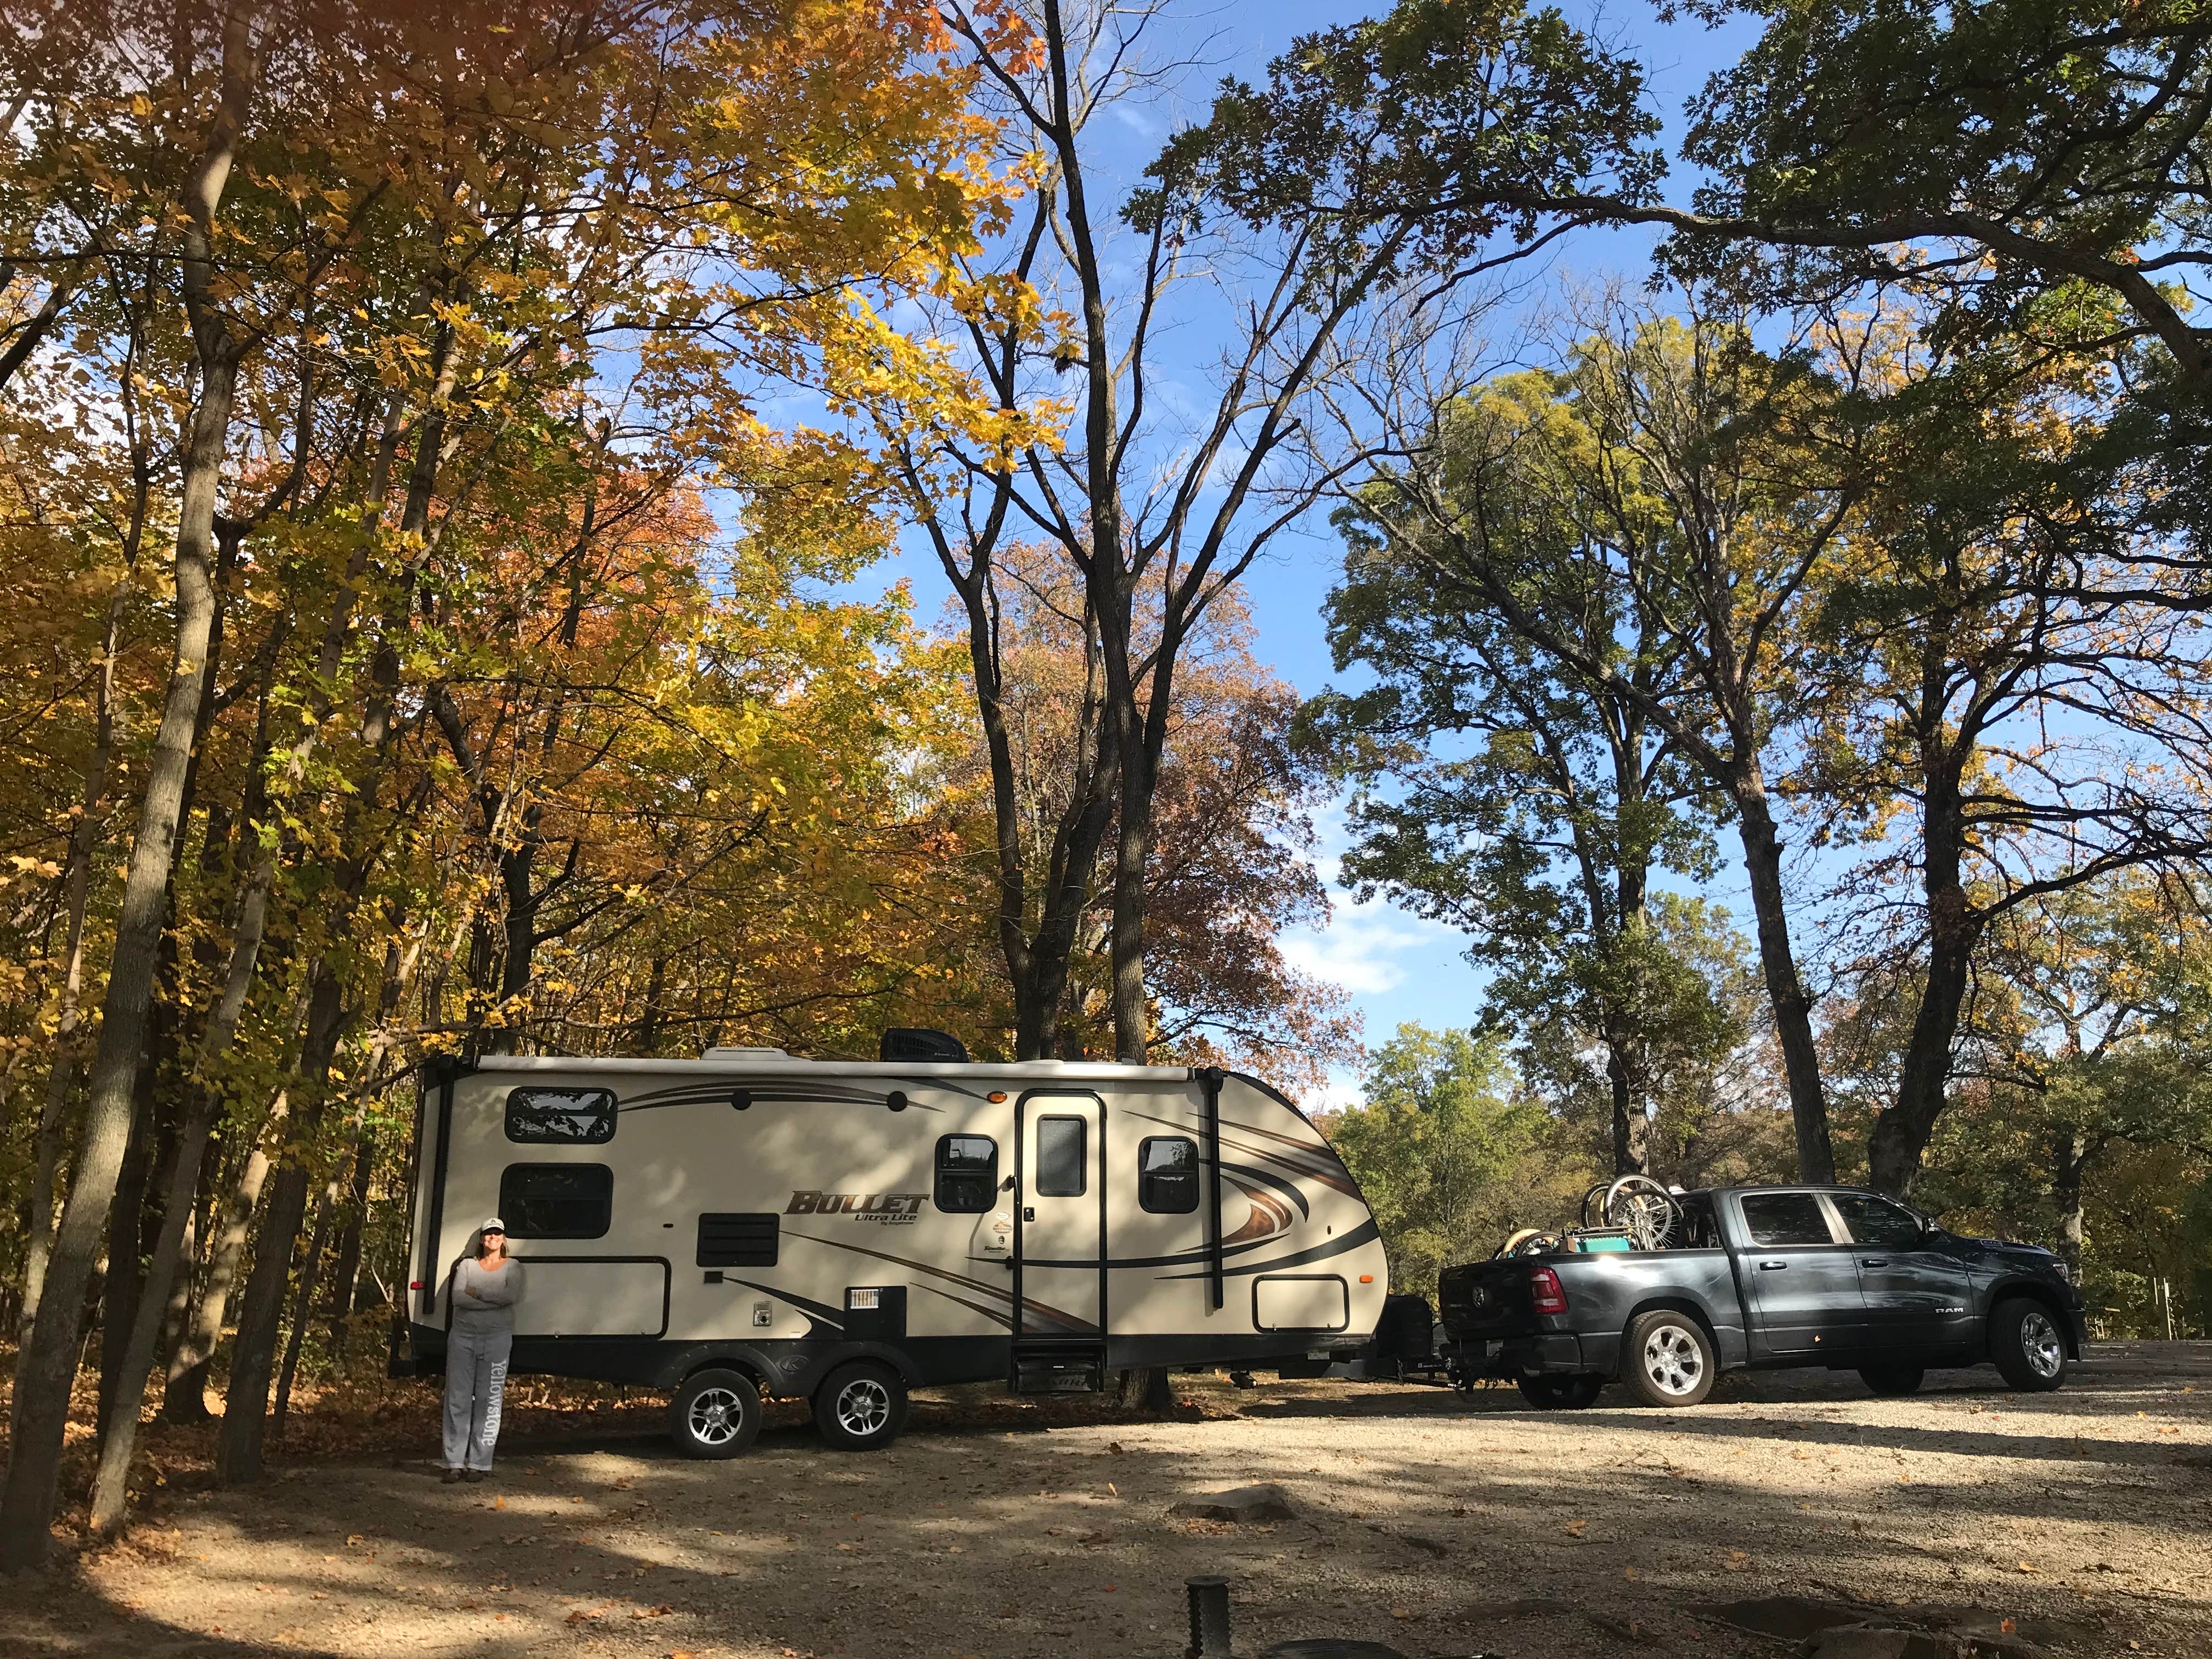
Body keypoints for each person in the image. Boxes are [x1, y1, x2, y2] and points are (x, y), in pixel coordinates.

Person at [443, 1217, 524, 1483]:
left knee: (490, 1401)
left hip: (497, 1339)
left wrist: (475, 1293)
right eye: (488, 1233)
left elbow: (510, 1297)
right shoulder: (467, 1265)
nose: (492, 1238)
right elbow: (458, 1297)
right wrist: (493, 1298)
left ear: (503, 1238)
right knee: (458, 1399)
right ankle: (454, 1462)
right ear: (481, 1239)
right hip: (463, 1338)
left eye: (497, 1233)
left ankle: (479, 1463)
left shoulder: (513, 1267)